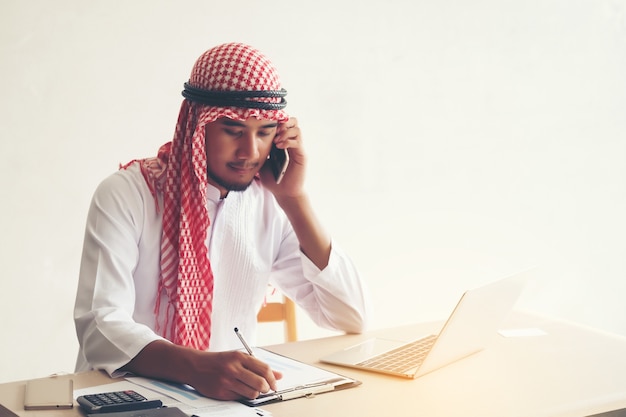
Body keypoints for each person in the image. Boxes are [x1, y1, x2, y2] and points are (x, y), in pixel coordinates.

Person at [73, 42, 370, 401]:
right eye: (233, 130)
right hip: (123, 400)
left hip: (228, 406)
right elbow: (99, 326)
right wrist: (195, 367)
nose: (251, 152)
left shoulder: (269, 202)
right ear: (198, 124)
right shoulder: (127, 194)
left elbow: (351, 317)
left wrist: (295, 199)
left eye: (264, 133)